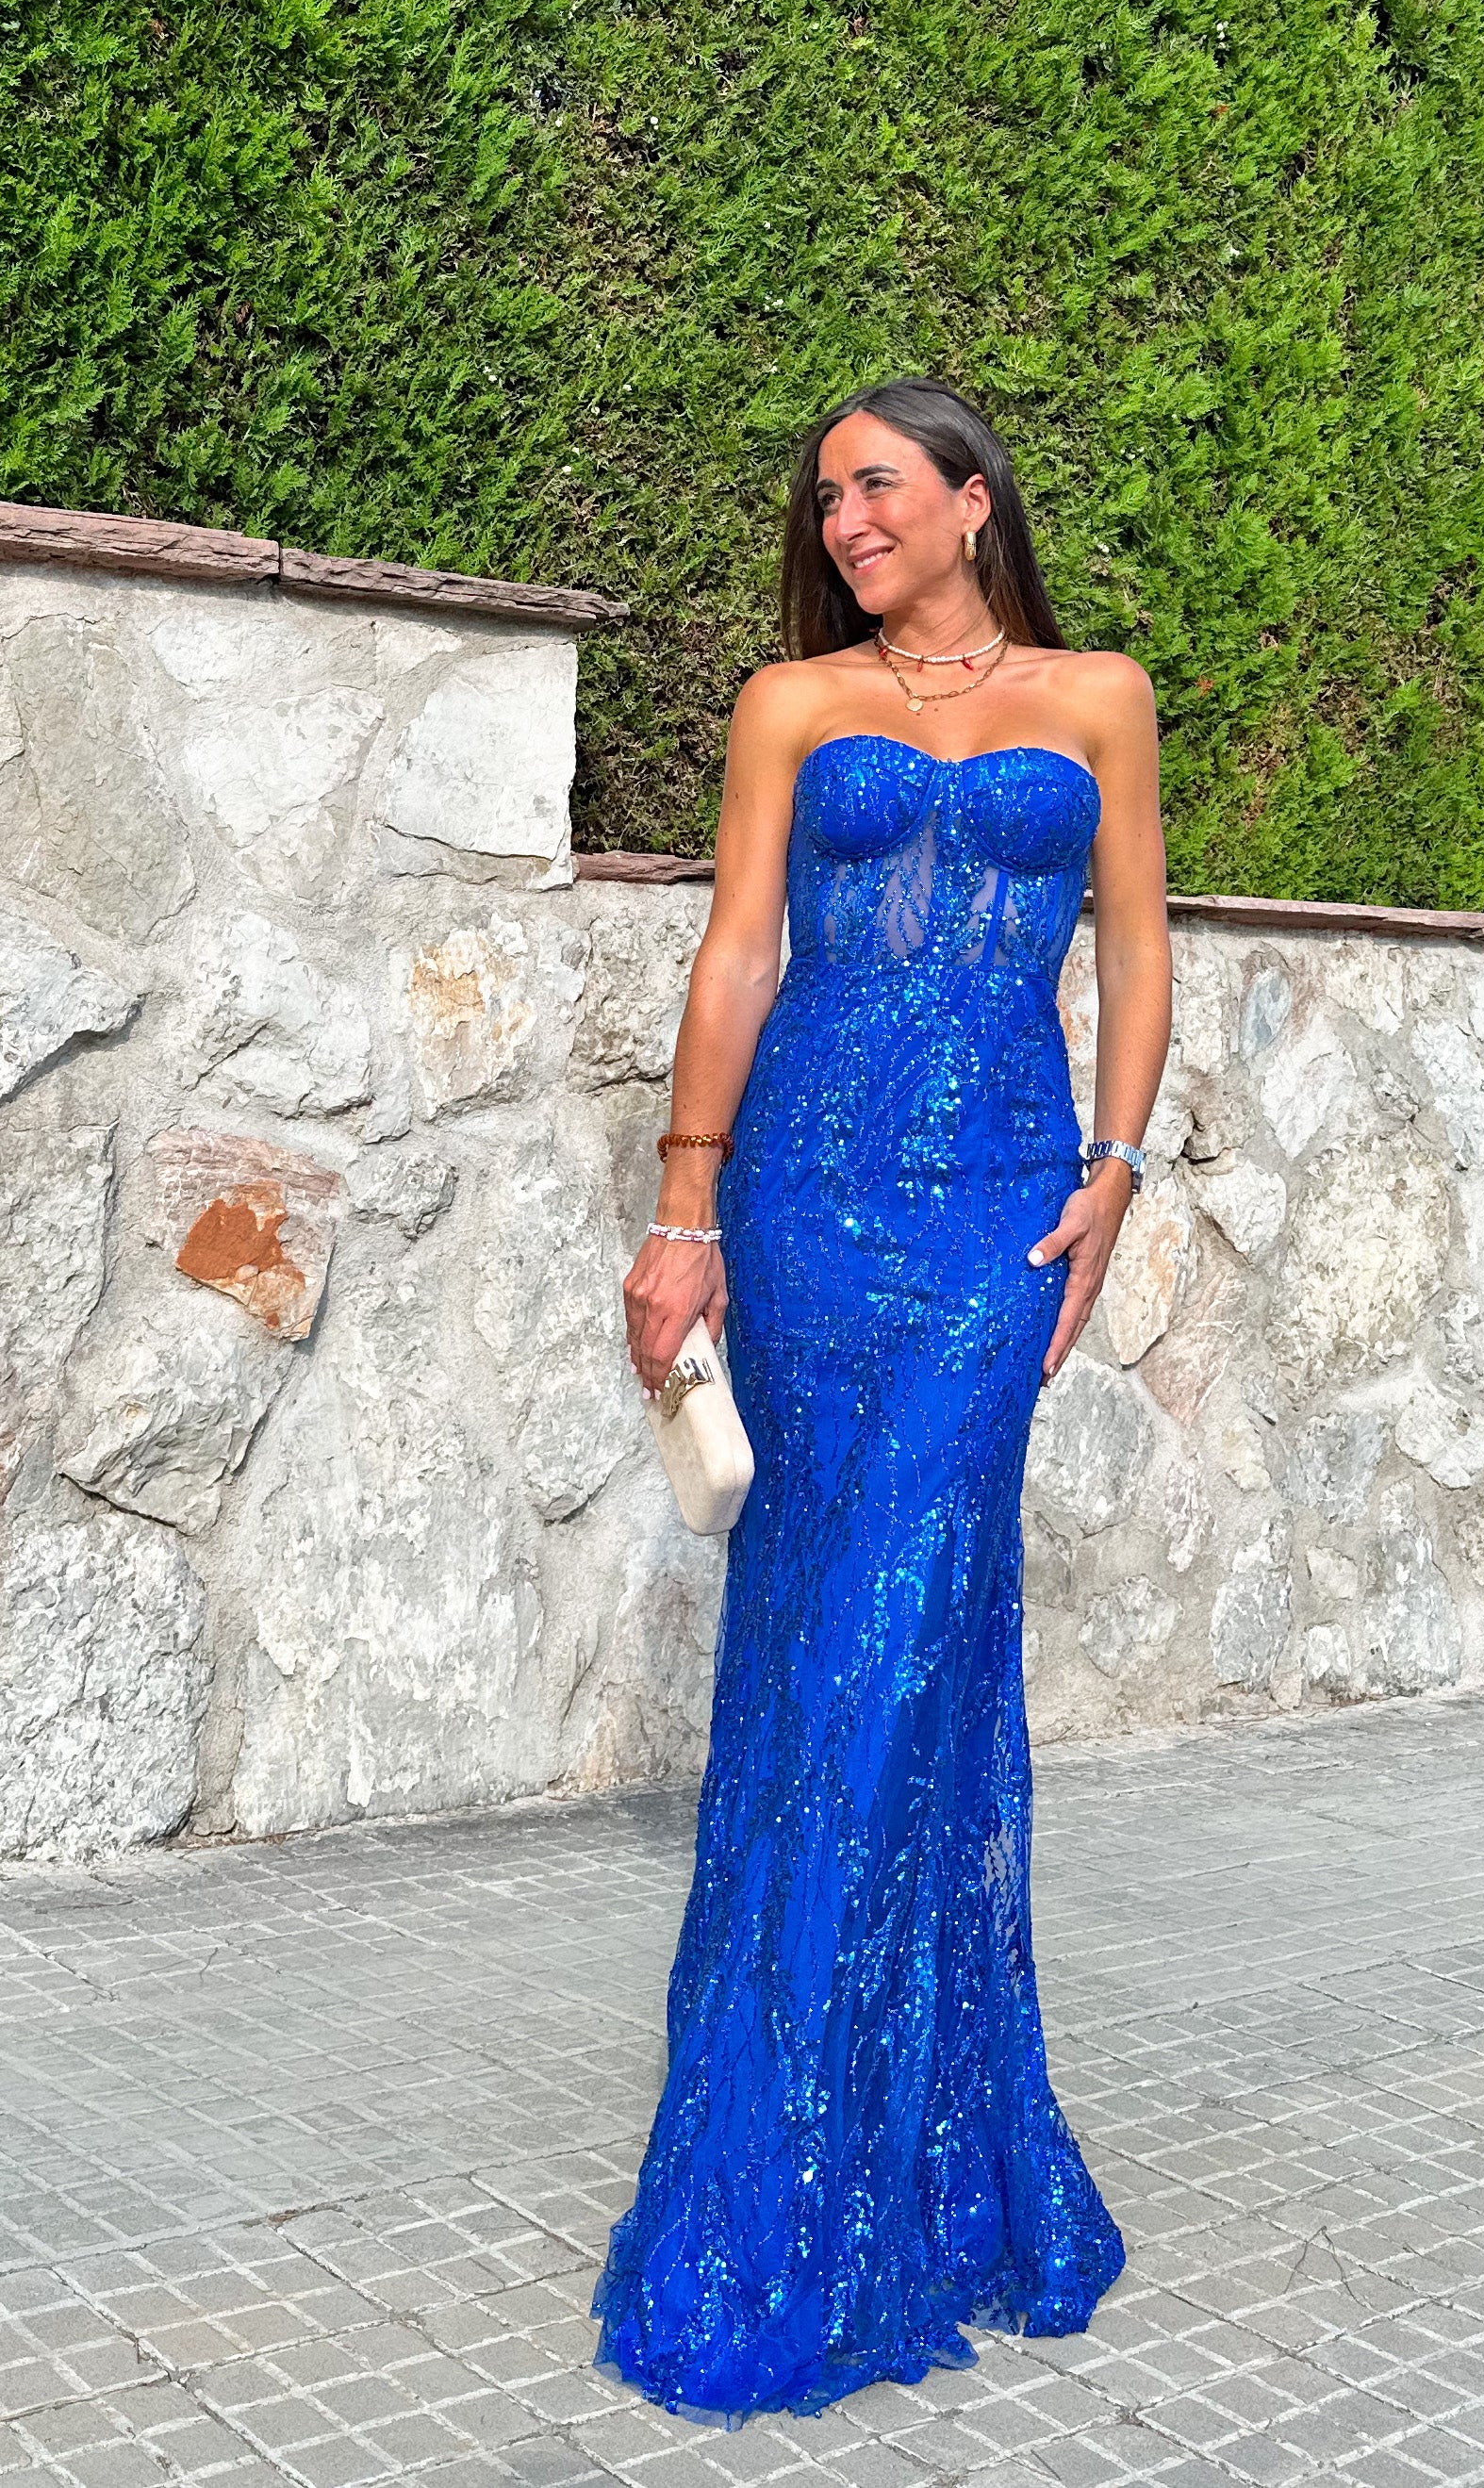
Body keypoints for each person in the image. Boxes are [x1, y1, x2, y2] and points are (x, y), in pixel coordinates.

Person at [591, 375, 1174, 2420]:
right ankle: (797, 2158)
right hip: (807, 1203)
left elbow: (1135, 950)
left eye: (875, 485)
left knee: (904, 1638)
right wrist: (685, 1214)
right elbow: (738, 954)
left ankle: (890, 2149)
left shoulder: (1098, 697)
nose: (843, 519)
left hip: (997, 1214)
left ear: (970, 498)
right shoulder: (788, 702)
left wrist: (1114, 1172)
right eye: (824, 496)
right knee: (823, 1643)